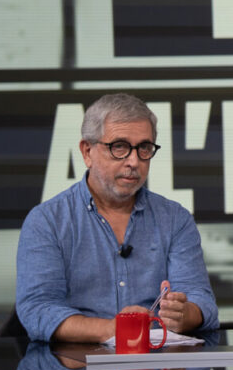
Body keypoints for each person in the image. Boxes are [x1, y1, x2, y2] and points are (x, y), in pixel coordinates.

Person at [16, 93, 218, 342]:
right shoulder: (47, 221)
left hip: (159, 368)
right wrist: (117, 329)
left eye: (144, 148)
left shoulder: (176, 219)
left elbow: (203, 302)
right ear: (87, 151)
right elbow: (38, 310)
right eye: (119, 147)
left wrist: (185, 314)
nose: (134, 161)